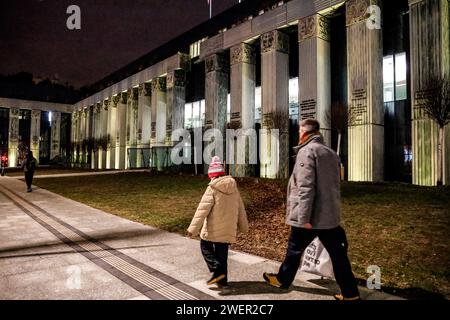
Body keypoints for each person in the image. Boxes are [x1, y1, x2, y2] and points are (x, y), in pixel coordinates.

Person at [263, 119, 360, 301]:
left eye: (300, 130)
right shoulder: (330, 152)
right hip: (329, 218)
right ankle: (351, 293)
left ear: (304, 132)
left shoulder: (306, 152)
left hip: (311, 217)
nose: (298, 134)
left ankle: (282, 280)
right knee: (338, 255)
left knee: (294, 250)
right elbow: (334, 186)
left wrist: (303, 218)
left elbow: (306, 187)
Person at [187, 156, 248, 288]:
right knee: (222, 254)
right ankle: (223, 282)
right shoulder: (234, 188)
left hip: (213, 229)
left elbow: (201, 210)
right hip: (227, 230)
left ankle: (216, 270)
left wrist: (192, 229)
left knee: (205, 246)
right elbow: (241, 209)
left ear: (212, 175)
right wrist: (244, 227)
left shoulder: (212, 188)